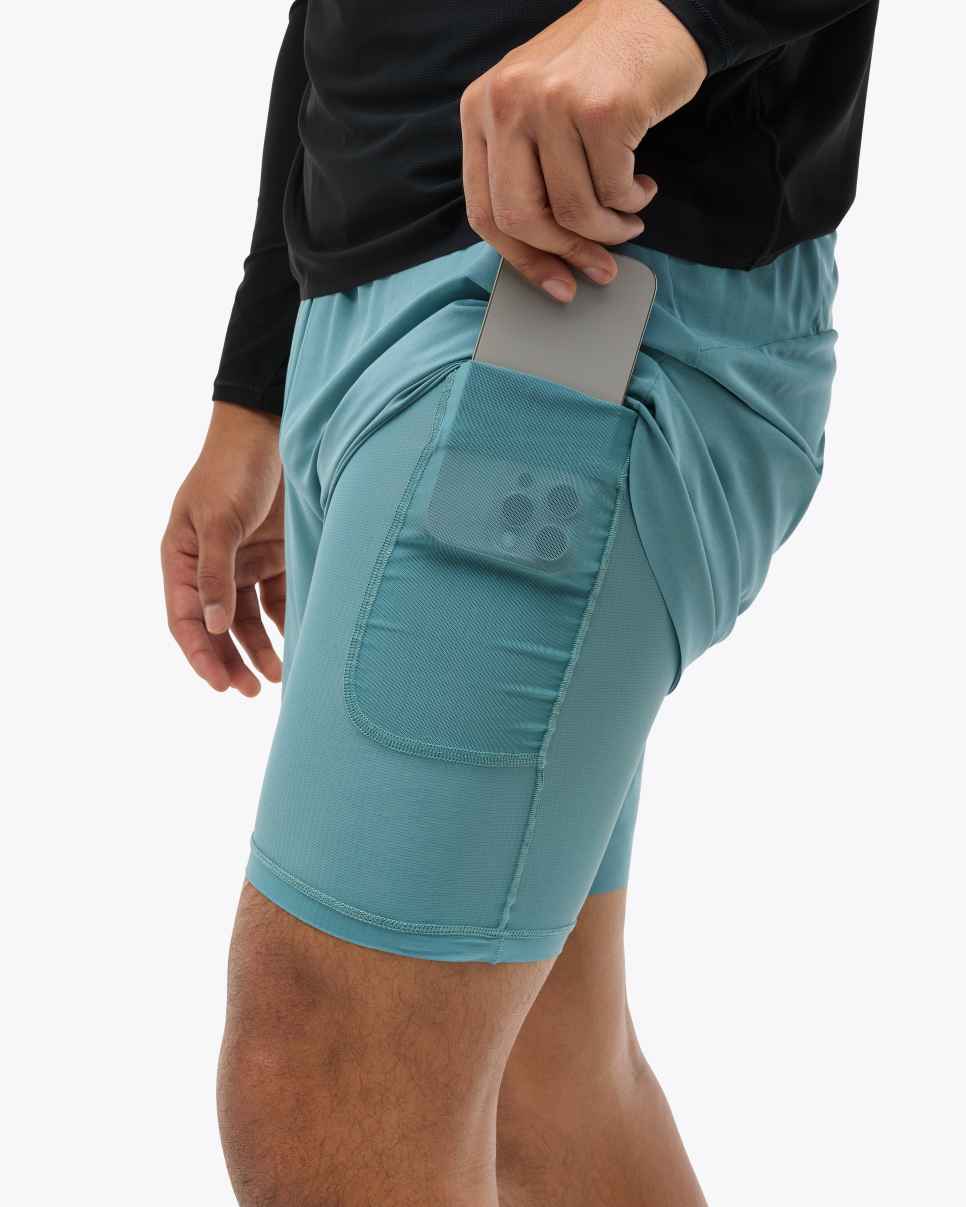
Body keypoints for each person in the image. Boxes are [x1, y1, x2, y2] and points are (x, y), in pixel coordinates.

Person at [161, 1, 879, 1202]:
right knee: (538, 1073)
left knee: (328, 1057)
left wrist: (672, 16)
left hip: (583, 286)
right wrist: (259, 381)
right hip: (365, 308)